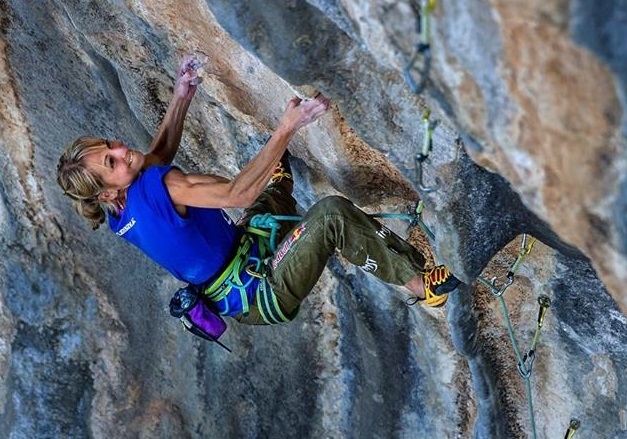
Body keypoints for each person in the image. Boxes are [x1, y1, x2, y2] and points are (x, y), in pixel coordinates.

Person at [56, 53, 460, 328]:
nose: (121, 150)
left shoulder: (117, 212)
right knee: (331, 215)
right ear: (106, 192)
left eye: (110, 144)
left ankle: (283, 190)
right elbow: (237, 196)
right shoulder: (163, 190)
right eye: (111, 161)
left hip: (246, 253)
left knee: (275, 178)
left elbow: (154, 156)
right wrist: (288, 125)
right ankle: (421, 286)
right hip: (261, 287)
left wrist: (182, 95)